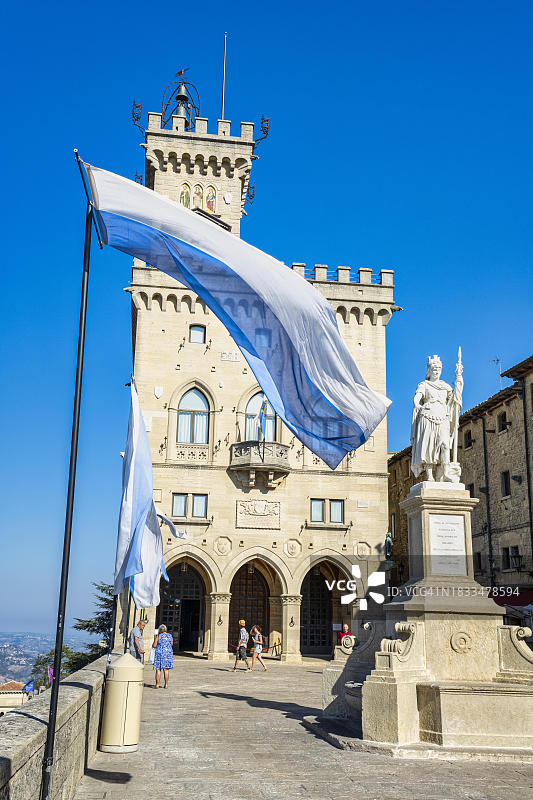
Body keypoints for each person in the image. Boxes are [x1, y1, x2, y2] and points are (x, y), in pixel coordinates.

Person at [152, 624, 174, 688]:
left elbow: (154, 645)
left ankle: (157, 684)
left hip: (160, 654)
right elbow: (171, 644)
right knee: (166, 670)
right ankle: (166, 684)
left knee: (158, 669)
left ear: (160, 630)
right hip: (168, 654)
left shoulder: (159, 636)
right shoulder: (170, 636)